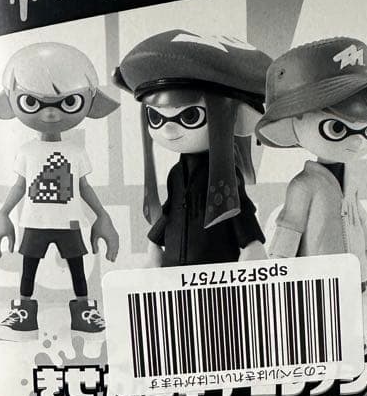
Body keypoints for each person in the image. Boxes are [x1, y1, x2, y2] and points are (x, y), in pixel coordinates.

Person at [0, 42, 120, 339]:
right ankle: (24, 315)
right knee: (28, 267)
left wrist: (103, 216)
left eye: (67, 102)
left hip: (69, 223)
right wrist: (3, 214)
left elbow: (83, 187)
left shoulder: (75, 151)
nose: (49, 114)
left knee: (77, 267)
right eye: (32, 102)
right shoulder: (26, 151)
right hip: (34, 222)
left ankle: (84, 313)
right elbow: (19, 185)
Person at [114, 29, 272, 266]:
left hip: (215, 269)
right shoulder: (176, 173)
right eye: (156, 118)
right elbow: (169, 211)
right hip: (174, 268)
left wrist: (252, 244)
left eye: (189, 116)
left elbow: (239, 210)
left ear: (234, 116)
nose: (168, 130)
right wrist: (154, 245)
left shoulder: (225, 175)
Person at [256, 37, 367, 289]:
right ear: (292, 122)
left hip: (355, 273)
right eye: (336, 128)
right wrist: (278, 266)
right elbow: (290, 227)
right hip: (319, 278)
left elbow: (361, 220)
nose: (357, 140)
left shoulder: (351, 178)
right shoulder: (303, 186)